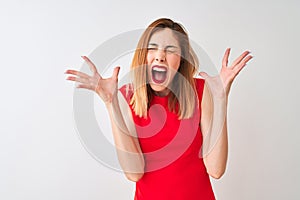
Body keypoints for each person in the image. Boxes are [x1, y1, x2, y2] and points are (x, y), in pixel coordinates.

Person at [65, 18, 252, 200]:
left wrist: (220, 100)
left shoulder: (202, 92)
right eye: (152, 48)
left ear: (181, 60)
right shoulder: (125, 96)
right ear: (144, 56)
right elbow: (134, 173)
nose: (160, 56)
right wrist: (110, 103)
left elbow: (216, 169)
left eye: (170, 50)